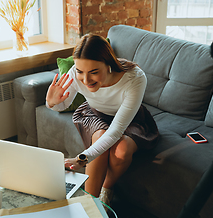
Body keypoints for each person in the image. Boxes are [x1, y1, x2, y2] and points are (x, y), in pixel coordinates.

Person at [45, 34, 159, 207]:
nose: (85, 80)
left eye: (94, 72)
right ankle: (89, 205)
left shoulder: (135, 78)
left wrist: (82, 159)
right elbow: (61, 106)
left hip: (130, 119)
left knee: (120, 151)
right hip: (94, 114)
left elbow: (116, 130)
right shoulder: (76, 75)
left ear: (109, 65)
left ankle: (107, 188)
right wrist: (52, 102)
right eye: (80, 72)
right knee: (100, 136)